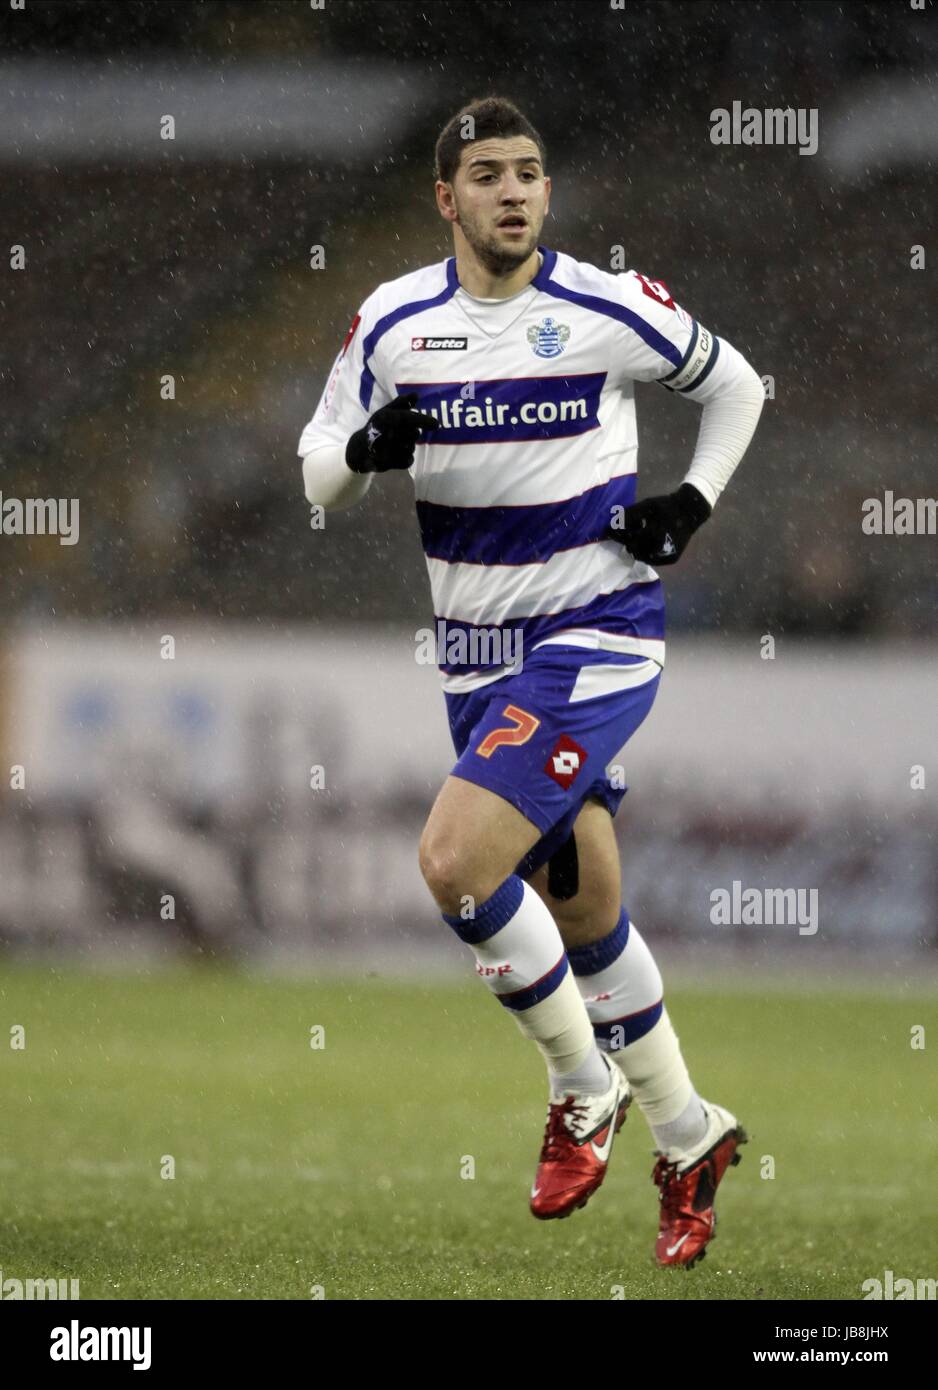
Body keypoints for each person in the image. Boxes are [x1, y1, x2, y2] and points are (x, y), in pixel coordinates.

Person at [299, 96, 764, 1267]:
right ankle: (687, 1129)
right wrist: (361, 453)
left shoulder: (603, 305)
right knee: (583, 912)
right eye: (488, 174)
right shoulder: (394, 321)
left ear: (546, 194)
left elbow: (736, 385)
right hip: (475, 659)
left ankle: (578, 1087)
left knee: (455, 862)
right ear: (445, 198)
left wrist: (690, 504)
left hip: (595, 632)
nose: (513, 190)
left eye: (530, 172)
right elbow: (314, 474)